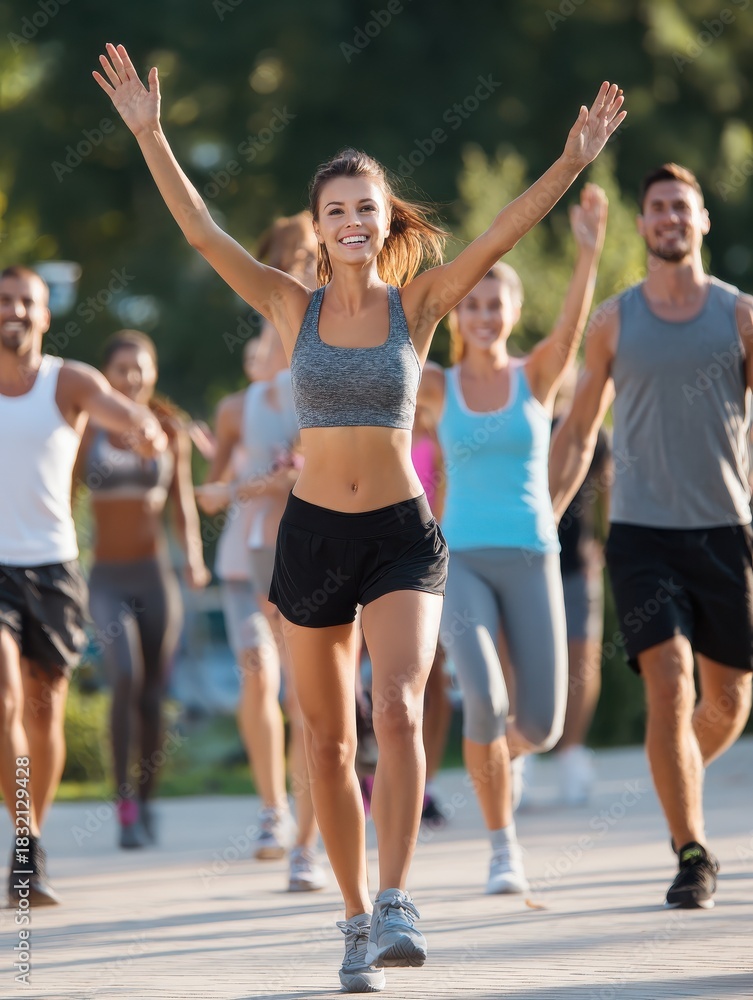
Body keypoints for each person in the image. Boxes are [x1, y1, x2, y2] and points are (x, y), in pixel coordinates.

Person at [94, 44, 623, 990]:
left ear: (384, 221)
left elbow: (501, 232)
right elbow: (203, 232)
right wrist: (150, 134)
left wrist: (570, 160)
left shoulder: (417, 306)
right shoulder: (286, 303)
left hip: (399, 538)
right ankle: (350, 918)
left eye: (364, 208)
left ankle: (395, 899)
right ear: (318, 225)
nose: (350, 222)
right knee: (328, 739)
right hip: (311, 540)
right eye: (334, 210)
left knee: (399, 705)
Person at [550, 162, 753, 910]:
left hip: (725, 530)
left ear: (703, 221)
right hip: (641, 534)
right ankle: (691, 852)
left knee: (729, 700)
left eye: (682, 207)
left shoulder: (740, 316)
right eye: (658, 207)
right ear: (642, 225)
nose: (670, 217)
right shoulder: (613, 321)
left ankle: (672, 769)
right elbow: (578, 431)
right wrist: (543, 516)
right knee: (669, 683)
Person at [419, 184, 608, 896]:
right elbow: (389, 354)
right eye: (472, 304)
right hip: (461, 561)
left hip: (533, 557)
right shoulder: (436, 386)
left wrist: (588, 253)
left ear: (513, 313)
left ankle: (501, 763)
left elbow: (574, 326)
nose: (484, 314)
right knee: (486, 700)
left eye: (496, 304)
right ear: (457, 314)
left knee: (542, 724)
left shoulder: (537, 376)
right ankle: (504, 849)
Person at [0, 266, 167, 904]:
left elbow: (120, 411)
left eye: (27, 302)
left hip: (54, 567)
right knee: (6, 701)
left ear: (45, 315)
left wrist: (145, 429)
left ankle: (30, 840)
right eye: (5, 301)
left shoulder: (67, 381)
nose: (15, 311)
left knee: (44, 710)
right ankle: (23, 836)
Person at [197, 318, 327, 892]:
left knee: (305, 701)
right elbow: (210, 495)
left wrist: (294, 478)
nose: (278, 344)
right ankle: (273, 811)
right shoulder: (235, 410)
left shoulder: (324, 399)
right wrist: (238, 486)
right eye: (270, 336)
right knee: (258, 674)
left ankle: (307, 845)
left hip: (307, 566)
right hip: (242, 564)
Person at [74, 330, 210, 848]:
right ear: (105, 375)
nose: (131, 378)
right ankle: (124, 803)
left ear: (152, 373)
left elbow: (182, 504)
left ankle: (148, 801)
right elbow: (63, 491)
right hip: (106, 578)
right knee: (125, 676)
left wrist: (193, 558)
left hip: (155, 578)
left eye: (141, 368)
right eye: (121, 369)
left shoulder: (170, 429)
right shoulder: (88, 428)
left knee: (153, 694)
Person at [552, 371, 612, 805]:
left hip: (578, 564)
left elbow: (607, 491)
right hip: (531, 561)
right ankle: (520, 757)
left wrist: (603, 542)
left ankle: (571, 752)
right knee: (523, 660)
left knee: (583, 659)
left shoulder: (595, 433)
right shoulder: (533, 425)